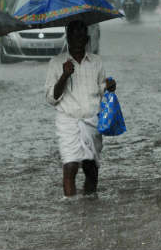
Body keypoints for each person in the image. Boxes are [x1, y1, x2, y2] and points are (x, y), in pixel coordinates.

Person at [44, 20, 116, 197]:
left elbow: (100, 90)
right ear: (67, 38)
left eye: (80, 36)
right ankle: (71, 209)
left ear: (87, 39)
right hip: (67, 120)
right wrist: (64, 76)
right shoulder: (56, 63)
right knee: (70, 165)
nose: (77, 40)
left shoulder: (97, 62)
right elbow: (51, 98)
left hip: (92, 120)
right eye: (73, 35)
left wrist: (109, 86)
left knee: (91, 167)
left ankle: (90, 205)